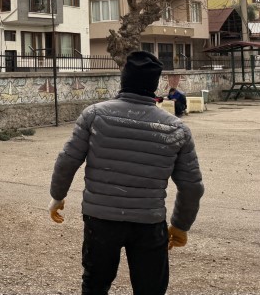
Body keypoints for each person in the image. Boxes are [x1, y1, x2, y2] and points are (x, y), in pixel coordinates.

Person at [48, 51, 204, 295]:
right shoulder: (176, 128)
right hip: (149, 222)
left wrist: (57, 196)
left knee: (95, 284)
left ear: (123, 80)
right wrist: (180, 226)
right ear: (155, 85)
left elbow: (67, 160)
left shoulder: (95, 115)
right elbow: (192, 185)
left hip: (100, 219)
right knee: (150, 288)